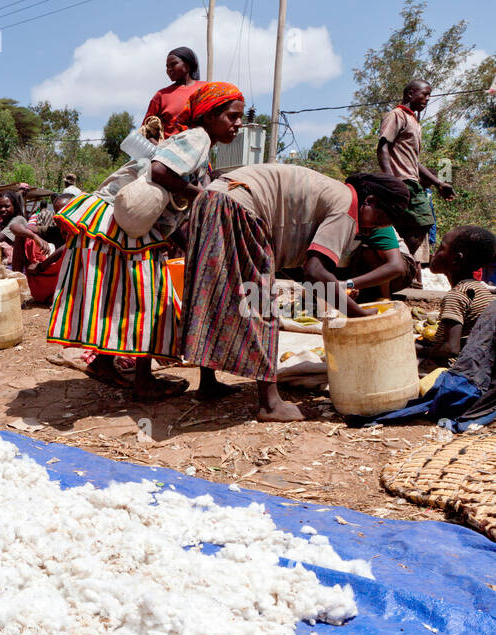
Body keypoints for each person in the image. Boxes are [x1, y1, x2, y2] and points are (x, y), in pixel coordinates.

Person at [42, 83, 248, 403]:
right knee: (149, 302)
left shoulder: (193, 142)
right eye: (232, 116)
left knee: (116, 298)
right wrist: (204, 197)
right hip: (120, 228)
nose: (238, 124)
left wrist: (183, 239)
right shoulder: (198, 138)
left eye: (240, 117)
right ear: (209, 116)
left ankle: (104, 363)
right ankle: (143, 383)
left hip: (107, 222)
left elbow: (169, 202)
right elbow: (159, 170)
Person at [181, 166, 413, 421]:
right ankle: (270, 405)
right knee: (260, 301)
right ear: (370, 201)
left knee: (215, 294)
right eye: (376, 222)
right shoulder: (348, 206)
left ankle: (207, 382)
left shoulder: (332, 194)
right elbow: (315, 271)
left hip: (210, 198)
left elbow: (305, 269)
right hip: (239, 205)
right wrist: (358, 314)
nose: (369, 231)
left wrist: (329, 290)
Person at [378, 80, 455, 258]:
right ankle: (399, 262)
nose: (427, 99)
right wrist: (391, 181)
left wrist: (438, 183)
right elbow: (382, 147)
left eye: (429, 95)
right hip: (401, 182)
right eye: (425, 94)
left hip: (411, 181)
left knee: (409, 226)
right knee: (424, 221)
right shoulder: (397, 115)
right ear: (410, 93)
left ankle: (395, 262)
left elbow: (415, 162)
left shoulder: (414, 121)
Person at [417, 226, 496, 363]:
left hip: (460, 369)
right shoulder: (480, 289)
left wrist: (415, 348)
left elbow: (451, 349)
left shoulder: (456, 296)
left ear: (455, 259)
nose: (434, 253)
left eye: (441, 248)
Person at [143, 47, 205, 137]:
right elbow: (146, 130)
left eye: (173, 64)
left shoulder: (205, 89)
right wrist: (160, 149)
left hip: (199, 147)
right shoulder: (162, 95)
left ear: (188, 64)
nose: (169, 69)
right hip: (169, 148)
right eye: (167, 66)